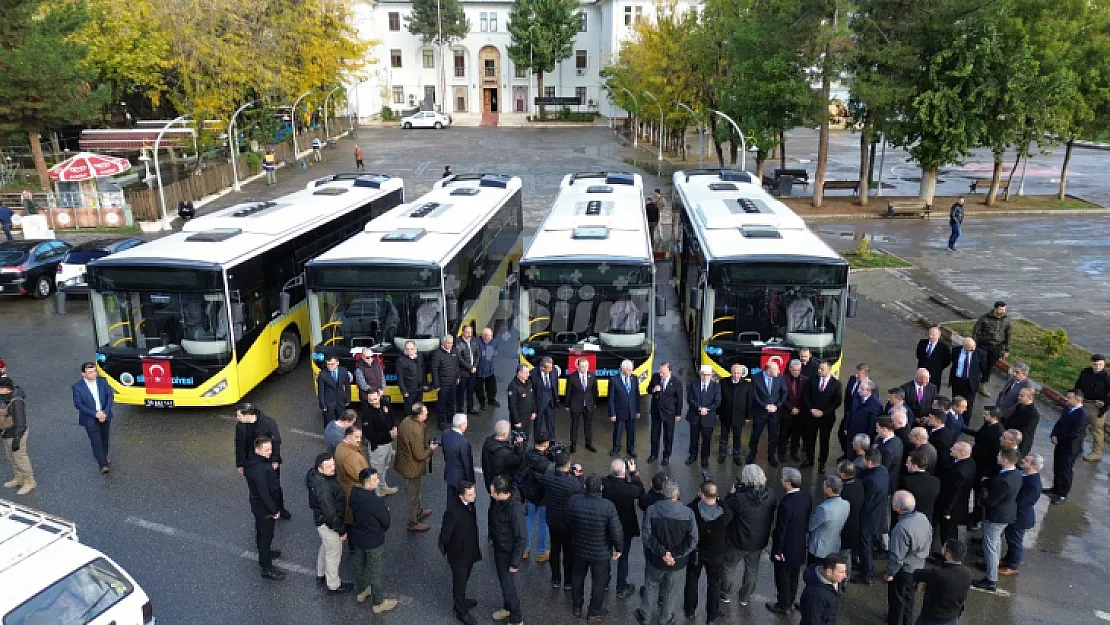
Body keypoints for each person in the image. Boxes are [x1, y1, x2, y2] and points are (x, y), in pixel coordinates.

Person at [637, 480, 698, 625]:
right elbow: (693, 539)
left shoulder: (652, 510)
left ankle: (645, 616)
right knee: (671, 589)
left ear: (663, 493)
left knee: (651, 585)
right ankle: (666, 617)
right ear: (678, 494)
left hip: (656, 559)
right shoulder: (688, 513)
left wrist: (663, 553)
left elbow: (647, 536)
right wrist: (674, 554)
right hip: (678, 561)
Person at [568, 474, 623, 621]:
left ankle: (577, 606)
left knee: (578, 577)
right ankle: (594, 612)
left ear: (585, 487)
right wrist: (618, 548)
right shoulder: (608, 506)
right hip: (601, 552)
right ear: (601, 488)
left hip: (579, 548)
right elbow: (616, 531)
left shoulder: (574, 501)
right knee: (599, 583)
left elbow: (568, 521)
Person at [722, 464, 777, 606]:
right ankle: (744, 597)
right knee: (752, 570)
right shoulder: (770, 494)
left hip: (737, 541)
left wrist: (731, 494)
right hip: (759, 541)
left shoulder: (738, 498)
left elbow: (725, 514)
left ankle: (725, 593)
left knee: (729, 567)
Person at [684, 479, 733, 624]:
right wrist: (719, 498)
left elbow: (690, 506)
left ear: (701, 494)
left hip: (696, 552)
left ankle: (690, 610)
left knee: (692, 580)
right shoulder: (725, 515)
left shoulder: (693, 511)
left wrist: (698, 496)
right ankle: (712, 615)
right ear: (716, 495)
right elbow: (727, 508)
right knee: (714, 584)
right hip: (716, 554)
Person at [973, 447, 1021, 592]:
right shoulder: (1015, 474)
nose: (997, 457)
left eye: (999, 456)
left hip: (996, 516)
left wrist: (981, 500)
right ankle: (992, 567)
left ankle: (991, 579)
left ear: (1005, 460)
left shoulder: (1004, 481)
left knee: (990, 547)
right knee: (995, 545)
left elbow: (991, 501)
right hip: (1006, 514)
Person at [349, 468, 397, 612]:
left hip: (358, 537)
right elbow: (386, 521)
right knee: (376, 571)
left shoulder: (354, 494)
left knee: (359, 565)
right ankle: (378, 603)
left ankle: (361, 591)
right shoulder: (375, 501)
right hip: (373, 540)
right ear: (368, 483)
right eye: (375, 479)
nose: (378, 481)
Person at [766, 467, 812, 616]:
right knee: (794, 576)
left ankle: (783, 604)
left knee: (782, 578)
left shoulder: (786, 503)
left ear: (789, 483)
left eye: (783, 479)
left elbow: (781, 529)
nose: (781, 481)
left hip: (786, 548)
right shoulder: (806, 497)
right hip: (799, 545)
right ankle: (790, 600)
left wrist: (777, 550)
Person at [306, 453, 351, 594]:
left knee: (326, 547)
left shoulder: (315, 478)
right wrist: (341, 531)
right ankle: (333, 585)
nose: (333, 468)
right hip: (329, 524)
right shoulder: (324, 487)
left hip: (322, 522)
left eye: (333, 464)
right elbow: (331, 514)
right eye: (329, 466)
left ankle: (321, 573)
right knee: (333, 554)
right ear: (320, 468)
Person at [234, 404, 289, 518]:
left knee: (274, 487)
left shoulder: (268, 423)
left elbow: (276, 442)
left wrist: (274, 460)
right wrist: (240, 463)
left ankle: (280, 508)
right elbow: (239, 445)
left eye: (239, 415)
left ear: (248, 415)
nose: (237, 418)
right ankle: (262, 510)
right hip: (250, 462)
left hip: (267, 460)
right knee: (256, 487)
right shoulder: (240, 426)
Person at [885, 490, 931, 625]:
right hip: (918, 565)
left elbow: (897, 556)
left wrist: (890, 572)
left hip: (904, 570)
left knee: (897, 601)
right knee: (909, 598)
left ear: (899, 508)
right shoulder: (922, 517)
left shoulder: (901, 528)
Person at [439, 481, 482, 625]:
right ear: (461, 495)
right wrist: (446, 549)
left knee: (464, 579)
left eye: (474, 492)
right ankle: (461, 611)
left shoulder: (469, 504)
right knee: (460, 583)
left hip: (468, 550)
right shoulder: (452, 511)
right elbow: (445, 534)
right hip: (459, 554)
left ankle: (460, 601)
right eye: (470, 494)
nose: (474, 496)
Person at [603, 458, 644, 600]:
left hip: (607, 526)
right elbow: (640, 490)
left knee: (606, 554)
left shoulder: (604, 484)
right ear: (624, 472)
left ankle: (605, 583)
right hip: (624, 528)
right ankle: (621, 587)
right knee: (623, 556)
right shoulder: (629, 489)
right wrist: (634, 474)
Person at [542, 450, 584, 589]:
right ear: (568, 464)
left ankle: (555, 579)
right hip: (568, 523)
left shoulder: (549, 479)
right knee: (568, 552)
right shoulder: (573, 483)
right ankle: (568, 581)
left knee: (554, 550)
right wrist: (579, 476)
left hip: (553, 520)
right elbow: (581, 493)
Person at [244, 437, 285, 580]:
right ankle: (266, 567)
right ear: (257, 450)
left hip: (257, 504)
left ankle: (265, 552)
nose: (270, 452)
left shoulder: (253, 462)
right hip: (264, 507)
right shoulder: (259, 468)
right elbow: (264, 492)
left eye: (270, 449)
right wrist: (274, 510)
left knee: (261, 531)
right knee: (266, 535)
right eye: (266, 450)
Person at [488, 475, 526, 625]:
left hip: (508, 553)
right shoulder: (499, 501)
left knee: (508, 586)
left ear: (502, 492)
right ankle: (507, 608)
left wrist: (514, 563)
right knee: (504, 583)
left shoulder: (515, 509)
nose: (490, 494)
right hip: (500, 547)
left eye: (492, 491)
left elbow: (521, 538)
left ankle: (517, 618)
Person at [394, 402, 438, 532]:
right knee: (412, 495)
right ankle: (412, 522)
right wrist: (431, 449)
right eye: (425, 412)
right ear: (419, 416)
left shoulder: (406, 421)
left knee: (415, 491)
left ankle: (418, 512)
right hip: (412, 467)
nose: (427, 413)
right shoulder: (416, 430)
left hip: (406, 463)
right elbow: (419, 455)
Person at [999, 453, 1042, 577]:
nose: (1022, 461)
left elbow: (1022, 502)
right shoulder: (1024, 474)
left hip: (1020, 517)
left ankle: (1013, 566)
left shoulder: (1033, 484)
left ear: (1034, 465)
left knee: (1015, 542)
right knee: (1010, 539)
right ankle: (1008, 559)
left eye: (1027, 460)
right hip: (1016, 515)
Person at [913, 539, 973, 625]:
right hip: (952, 616)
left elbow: (916, 573)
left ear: (948, 555)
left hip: (932, 618)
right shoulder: (968, 573)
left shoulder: (938, 573)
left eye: (944, 547)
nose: (942, 548)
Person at [853, 448, 889, 586]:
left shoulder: (870, 481)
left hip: (869, 517)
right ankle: (866, 566)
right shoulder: (883, 471)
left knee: (865, 545)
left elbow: (865, 501)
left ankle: (866, 574)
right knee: (869, 543)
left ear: (868, 461)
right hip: (878, 513)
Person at [71, 362, 115, 474]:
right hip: (90, 418)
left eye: (94, 371)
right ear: (83, 374)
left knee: (104, 438)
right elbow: (78, 404)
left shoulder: (103, 381)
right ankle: (103, 464)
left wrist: (104, 412)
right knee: (96, 441)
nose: (93, 374)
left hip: (105, 415)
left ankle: (104, 456)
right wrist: (95, 414)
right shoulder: (77, 387)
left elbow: (110, 396)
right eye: (89, 372)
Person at [934, 442, 976, 555]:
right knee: (952, 531)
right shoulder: (970, 463)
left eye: (954, 448)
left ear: (961, 453)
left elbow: (953, 493)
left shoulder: (959, 472)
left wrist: (947, 511)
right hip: (960, 505)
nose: (951, 449)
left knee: (947, 533)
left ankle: (947, 555)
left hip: (952, 509)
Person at [1046, 391, 1087, 505]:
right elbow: (1059, 423)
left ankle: (1063, 494)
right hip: (1059, 443)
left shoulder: (1082, 415)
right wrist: (1054, 434)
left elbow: (1075, 433)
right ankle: (1056, 487)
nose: (1066, 399)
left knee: (1066, 470)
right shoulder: (1068, 409)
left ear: (1078, 400)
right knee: (1057, 466)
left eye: (1069, 398)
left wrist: (1060, 438)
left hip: (1070, 447)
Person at [517, 435, 552, 561]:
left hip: (530, 493)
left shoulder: (528, 454)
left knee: (529, 520)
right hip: (544, 496)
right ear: (546, 444)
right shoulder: (547, 463)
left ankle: (525, 549)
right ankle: (541, 552)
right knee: (543, 523)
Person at [803, 361, 842, 472]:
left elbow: (837, 402)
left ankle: (822, 463)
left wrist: (824, 412)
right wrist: (811, 409)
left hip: (826, 418)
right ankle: (809, 459)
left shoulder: (836, 384)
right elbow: (806, 395)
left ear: (829, 370)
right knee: (810, 439)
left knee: (824, 441)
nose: (819, 371)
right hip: (811, 416)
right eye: (819, 368)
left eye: (822, 369)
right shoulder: (812, 380)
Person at [748, 361, 788, 467]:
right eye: (776, 369)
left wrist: (777, 405)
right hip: (760, 412)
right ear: (769, 370)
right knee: (755, 434)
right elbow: (754, 395)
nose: (779, 371)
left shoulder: (780, 377)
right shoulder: (756, 378)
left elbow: (784, 392)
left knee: (773, 436)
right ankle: (752, 454)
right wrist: (764, 406)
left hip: (774, 412)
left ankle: (771, 456)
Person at [362, 391, 400, 496]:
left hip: (388, 444)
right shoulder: (366, 413)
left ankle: (383, 487)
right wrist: (389, 434)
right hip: (378, 446)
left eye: (375, 399)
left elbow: (391, 417)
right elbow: (369, 435)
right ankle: (377, 494)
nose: (373, 402)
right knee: (377, 471)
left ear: (379, 396)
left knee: (385, 467)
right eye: (370, 400)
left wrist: (394, 427)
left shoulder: (385, 403)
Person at [0, 377, 33, 495]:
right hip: (6, 432)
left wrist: (16, 440)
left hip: (15, 433)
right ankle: (19, 478)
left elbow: (20, 423)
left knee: (20, 458)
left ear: (5, 389)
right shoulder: (5, 397)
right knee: (12, 457)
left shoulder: (16, 401)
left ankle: (29, 481)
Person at [1074, 353, 1109, 462]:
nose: (1097, 367)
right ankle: (1078, 447)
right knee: (1081, 426)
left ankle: (1096, 452)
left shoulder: (1107, 377)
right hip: (1084, 402)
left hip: (1097, 406)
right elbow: (1078, 386)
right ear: (1091, 363)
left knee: (1096, 429)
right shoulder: (1085, 372)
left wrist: (1105, 402)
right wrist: (1077, 396)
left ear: (1104, 364)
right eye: (1095, 364)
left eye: (1100, 364)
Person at [808, 475, 849, 565]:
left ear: (829, 489)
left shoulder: (823, 508)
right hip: (834, 546)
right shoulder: (846, 504)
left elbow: (811, 526)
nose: (823, 486)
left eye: (825, 485)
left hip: (819, 549)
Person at [648, 362, 683, 465]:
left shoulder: (676, 382)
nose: (661, 374)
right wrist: (654, 389)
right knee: (654, 435)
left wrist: (678, 414)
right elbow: (648, 389)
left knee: (668, 436)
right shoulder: (655, 377)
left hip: (669, 413)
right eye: (660, 372)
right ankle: (653, 454)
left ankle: (666, 456)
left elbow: (679, 399)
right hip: (656, 412)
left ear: (669, 371)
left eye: (663, 372)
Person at [971, 301, 1012, 390]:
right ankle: (974, 380)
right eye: (1001, 309)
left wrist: (1007, 349)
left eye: (1004, 309)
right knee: (981, 364)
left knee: (990, 366)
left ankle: (983, 384)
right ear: (995, 309)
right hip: (983, 345)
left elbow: (1008, 334)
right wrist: (973, 343)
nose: (1003, 311)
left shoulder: (1006, 320)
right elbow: (976, 332)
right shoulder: (984, 318)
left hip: (997, 346)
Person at [686, 365, 721, 468]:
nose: (705, 377)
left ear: (711, 375)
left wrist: (707, 409)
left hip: (708, 418)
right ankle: (693, 455)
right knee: (693, 438)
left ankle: (705, 459)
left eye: (708, 375)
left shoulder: (716, 386)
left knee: (707, 439)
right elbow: (690, 399)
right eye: (704, 374)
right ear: (700, 374)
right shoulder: (694, 384)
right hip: (695, 416)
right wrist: (699, 408)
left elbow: (717, 402)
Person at [798, 553, 847, 625]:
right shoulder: (817, 595)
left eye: (845, 571)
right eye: (841, 572)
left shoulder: (832, 581)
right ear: (829, 571)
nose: (845, 576)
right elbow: (812, 621)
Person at [840, 380, 881, 463]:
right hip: (851, 433)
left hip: (862, 438)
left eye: (862, 389)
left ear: (869, 391)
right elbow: (850, 413)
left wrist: (867, 441)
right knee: (850, 454)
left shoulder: (876, 405)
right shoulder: (856, 397)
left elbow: (872, 426)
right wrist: (846, 427)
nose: (859, 390)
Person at [717, 363, 751, 466]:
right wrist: (718, 413)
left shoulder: (747, 385)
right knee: (723, 436)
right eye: (734, 373)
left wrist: (748, 416)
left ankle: (736, 456)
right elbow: (720, 399)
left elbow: (749, 402)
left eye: (738, 373)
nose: (736, 375)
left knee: (737, 437)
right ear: (731, 372)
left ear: (742, 374)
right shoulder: (723, 382)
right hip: (725, 415)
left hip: (739, 416)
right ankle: (722, 454)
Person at [334, 426, 368, 525]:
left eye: (360, 437)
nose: (359, 440)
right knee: (353, 518)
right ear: (348, 437)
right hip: (352, 490)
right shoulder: (350, 457)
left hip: (346, 486)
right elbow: (360, 476)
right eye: (356, 437)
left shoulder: (342, 446)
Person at [949, 338, 988, 419]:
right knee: (956, 402)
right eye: (970, 347)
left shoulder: (980, 353)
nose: (973, 349)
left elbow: (983, 368)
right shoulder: (956, 350)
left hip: (970, 383)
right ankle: (953, 420)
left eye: (974, 346)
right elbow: (953, 362)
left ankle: (964, 425)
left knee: (968, 405)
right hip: (957, 381)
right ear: (964, 346)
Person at [566, 357, 599, 453]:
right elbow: (568, 392)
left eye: (586, 366)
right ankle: (573, 444)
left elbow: (594, 391)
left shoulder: (592, 376)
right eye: (582, 366)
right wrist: (567, 405)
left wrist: (595, 403)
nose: (584, 368)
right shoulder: (572, 377)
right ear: (578, 367)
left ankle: (589, 443)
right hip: (575, 405)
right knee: (574, 425)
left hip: (588, 405)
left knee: (588, 426)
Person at [608, 359, 641, 457]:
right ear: (623, 369)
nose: (631, 372)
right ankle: (616, 448)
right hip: (619, 411)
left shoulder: (634, 378)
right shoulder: (614, 379)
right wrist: (612, 413)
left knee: (631, 432)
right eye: (629, 370)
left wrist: (638, 410)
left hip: (632, 411)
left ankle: (631, 449)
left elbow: (637, 395)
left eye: (631, 370)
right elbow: (611, 398)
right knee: (618, 431)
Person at [481, 420, 523, 492]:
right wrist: (518, 446)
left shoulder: (487, 442)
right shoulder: (505, 452)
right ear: (504, 434)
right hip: (502, 485)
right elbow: (518, 461)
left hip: (489, 480)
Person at [779, 359, 809, 462]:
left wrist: (799, 409)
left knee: (796, 435)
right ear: (790, 369)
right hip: (786, 412)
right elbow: (782, 396)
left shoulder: (805, 380)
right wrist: (791, 408)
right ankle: (781, 453)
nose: (796, 372)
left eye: (798, 370)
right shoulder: (783, 379)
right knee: (783, 434)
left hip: (799, 413)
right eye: (794, 370)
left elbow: (806, 397)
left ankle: (794, 453)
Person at [442, 413, 476, 503]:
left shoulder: (445, 434)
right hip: (460, 479)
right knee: (460, 503)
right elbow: (467, 464)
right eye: (466, 423)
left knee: (450, 499)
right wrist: (471, 482)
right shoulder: (463, 442)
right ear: (462, 425)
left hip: (450, 474)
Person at [836, 462, 863, 570]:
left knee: (843, 557)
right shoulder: (858, 484)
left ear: (843, 475)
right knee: (846, 555)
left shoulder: (844, 492)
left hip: (846, 530)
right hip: (855, 526)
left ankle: (843, 581)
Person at [901, 450, 940, 522]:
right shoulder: (936, 481)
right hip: (927, 519)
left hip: (910, 519)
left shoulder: (906, 481)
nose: (906, 464)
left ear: (915, 466)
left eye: (908, 462)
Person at [431, 335, 461, 430]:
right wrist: (436, 384)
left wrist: (458, 376)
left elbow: (456, 365)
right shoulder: (437, 354)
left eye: (451, 343)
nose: (450, 345)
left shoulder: (455, 351)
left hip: (453, 382)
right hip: (443, 384)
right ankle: (441, 421)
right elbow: (434, 370)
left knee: (452, 402)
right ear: (443, 343)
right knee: (441, 403)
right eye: (448, 343)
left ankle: (450, 418)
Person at [532, 356, 560, 440]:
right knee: (538, 423)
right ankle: (537, 441)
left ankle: (552, 440)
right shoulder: (533, 374)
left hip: (550, 400)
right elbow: (532, 392)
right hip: (539, 402)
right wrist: (533, 408)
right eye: (549, 368)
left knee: (551, 422)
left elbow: (555, 384)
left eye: (552, 367)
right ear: (542, 368)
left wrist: (556, 398)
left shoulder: (554, 370)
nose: (552, 369)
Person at [317, 355, 350, 424]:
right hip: (329, 402)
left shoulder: (343, 371)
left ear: (337, 363)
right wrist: (323, 405)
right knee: (329, 423)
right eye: (328, 364)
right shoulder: (322, 374)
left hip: (340, 401)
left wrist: (348, 399)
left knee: (341, 421)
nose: (330, 366)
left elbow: (347, 386)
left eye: (332, 364)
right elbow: (321, 391)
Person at [397, 340, 427, 416]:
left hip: (419, 389)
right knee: (409, 411)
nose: (409, 351)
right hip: (409, 391)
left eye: (411, 348)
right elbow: (400, 378)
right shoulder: (401, 360)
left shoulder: (420, 356)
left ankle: (419, 425)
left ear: (415, 348)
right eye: (407, 349)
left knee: (419, 409)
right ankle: (410, 426)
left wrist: (424, 384)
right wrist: (404, 391)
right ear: (404, 349)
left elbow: (423, 370)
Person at [1007, 387, 1039, 457]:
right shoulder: (1020, 406)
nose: (1019, 397)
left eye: (1022, 396)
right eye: (1019, 395)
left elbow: (1025, 431)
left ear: (1030, 397)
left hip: (1020, 444)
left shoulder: (1033, 414)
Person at [455, 325, 480, 416]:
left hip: (473, 371)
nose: (469, 334)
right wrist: (470, 367)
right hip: (463, 372)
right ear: (462, 332)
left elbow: (478, 353)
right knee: (461, 392)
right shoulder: (458, 342)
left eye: (470, 332)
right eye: (467, 332)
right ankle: (460, 410)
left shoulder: (473, 340)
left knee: (471, 390)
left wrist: (475, 366)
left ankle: (470, 408)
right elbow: (459, 358)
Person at [355, 347, 385, 415]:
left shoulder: (377, 364)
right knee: (367, 416)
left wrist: (382, 389)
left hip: (379, 395)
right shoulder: (359, 368)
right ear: (362, 357)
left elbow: (382, 378)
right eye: (367, 357)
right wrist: (375, 391)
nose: (370, 359)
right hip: (366, 397)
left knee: (379, 415)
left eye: (372, 356)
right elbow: (363, 384)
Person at [475, 327, 500, 410]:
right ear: (483, 336)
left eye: (491, 336)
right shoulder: (476, 342)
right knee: (479, 389)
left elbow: (494, 352)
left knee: (492, 386)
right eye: (488, 336)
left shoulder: (494, 342)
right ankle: (482, 402)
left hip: (490, 369)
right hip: (479, 370)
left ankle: (491, 400)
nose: (490, 337)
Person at [926, 410, 955, 475]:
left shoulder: (941, 438)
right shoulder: (932, 428)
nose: (928, 419)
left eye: (930, 418)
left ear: (938, 421)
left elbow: (942, 458)